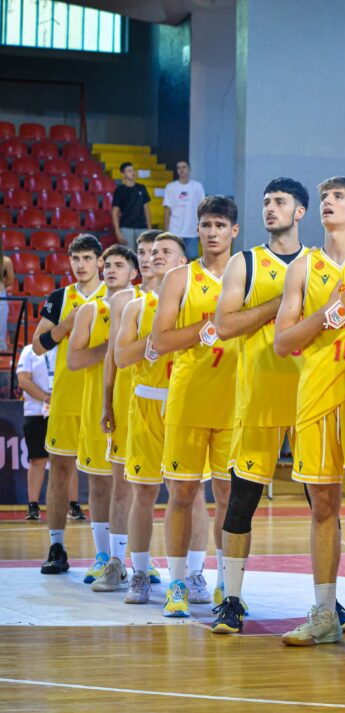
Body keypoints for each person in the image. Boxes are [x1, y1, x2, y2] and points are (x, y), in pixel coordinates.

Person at [274, 177, 345, 647]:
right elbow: (283, 342)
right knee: (323, 507)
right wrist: (328, 312)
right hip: (317, 393)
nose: (328, 202)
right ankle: (324, 613)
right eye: (324, 197)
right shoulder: (302, 268)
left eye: (339, 197)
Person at [209, 178, 315, 634]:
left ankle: (327, 603)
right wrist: (282, 302)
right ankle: (231, 599)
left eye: (280, 202)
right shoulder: (246, 262)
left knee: (323, 506)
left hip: (311, 397)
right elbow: (225, 325)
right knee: (241, 503)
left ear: (300, 212)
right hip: (259, 397)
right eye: (266, 201)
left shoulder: (319, 263)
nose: (270, 208)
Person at [152, 196, 239, 617]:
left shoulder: (248, 273)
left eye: (220, 224)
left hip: (234, 400)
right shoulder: (179, 278)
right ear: (198, 229)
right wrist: (205, 328)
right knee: (182, 493)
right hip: (189, 397)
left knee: (228, 496)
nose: (212, 231)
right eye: (206, 224)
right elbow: (160, 340)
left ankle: (225, 585)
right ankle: (177, 583)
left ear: (233, 231)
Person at [114, 232, 188, 604]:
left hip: (184, 403)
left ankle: (192, 575)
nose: (156, 256)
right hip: (146, 403)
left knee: (187, 493)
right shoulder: (136, 307)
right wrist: (149, 345)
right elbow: (120, 357)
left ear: (182, 261)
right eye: (153, 251)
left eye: (165, 251)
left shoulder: (195, 299)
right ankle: (139, 573)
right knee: (142, 493)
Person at [66, 244, 138, 589]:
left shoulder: (143, 305)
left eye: (119, 265)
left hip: (133, 403)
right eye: (107, 265)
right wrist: (111, 347)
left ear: (133, 273)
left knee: (131, 485)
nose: (110, 270)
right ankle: (102, 555)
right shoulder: (90, 310)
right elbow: (73, 361)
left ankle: (131, 557)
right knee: (98, 483)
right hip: (97, 403)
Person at [35, 234, 105, 575]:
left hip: (104, 399)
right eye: (75, 258)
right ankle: (57, 546)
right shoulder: (60, 297)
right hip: (66, 397)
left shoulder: (116, 295)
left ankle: (107, 553)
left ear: (100, 262)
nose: (81, 264)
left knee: (104, 477)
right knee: (60, 470)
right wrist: (66, 324)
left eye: (87, 258)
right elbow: (37, 345)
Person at [18, 341, 54, 521]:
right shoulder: (28, 350)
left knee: (66, 461)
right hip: (36, 411)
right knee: (37, 459)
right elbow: (23, 380)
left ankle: (72, 504)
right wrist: (46, 398)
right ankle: (33, 505)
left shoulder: (65, 348)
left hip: (62, 411)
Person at [163, 160, 206, 260]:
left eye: (184, 167)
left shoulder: (197, 186)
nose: (181, 170)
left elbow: (203, 208)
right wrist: (166, 231)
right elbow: (167, 209)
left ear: (189, 169)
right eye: (179, 168)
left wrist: (201, 227)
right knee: (173, 260)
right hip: (174, 231)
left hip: (192, 231)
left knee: (192, 260)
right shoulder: (170, 187)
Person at [111, 162, 153, 246]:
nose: (133, 172)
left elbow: (146, 208)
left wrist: (149, 227)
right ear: (123, 174)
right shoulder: (119, 190)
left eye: (133, 170)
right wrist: (117, 231)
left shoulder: (141, 188)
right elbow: (115, 211)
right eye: (129, 171)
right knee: (129, 253)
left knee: (143, 252)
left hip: (142, 226)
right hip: (126, 227)